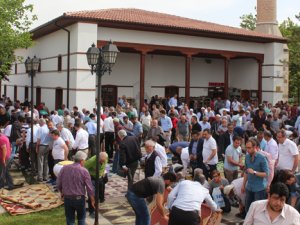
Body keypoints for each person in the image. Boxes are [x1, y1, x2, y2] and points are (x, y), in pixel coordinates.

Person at [57, 151, 95, 225]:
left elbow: (58, 183)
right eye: (85, 160)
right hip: (79, 199)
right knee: (81, 220)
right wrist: (92, 200)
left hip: (67, 198)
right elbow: (89, 187)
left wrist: (61, 192)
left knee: (70, 220)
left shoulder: (64, 168)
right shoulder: (84, 171)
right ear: (82, 160)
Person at [242, 139, 269, 213]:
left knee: (258, 210)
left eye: (249, 148)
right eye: (246, 148)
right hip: (249, 187)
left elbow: (266, 174)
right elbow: (246, 172)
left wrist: (254, 172)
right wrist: (243, 185)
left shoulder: (262, 158)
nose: (247, 150)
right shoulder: (247, 157)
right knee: (247, 209)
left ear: (255, 147)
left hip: (259, 188)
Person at [84, 152, 108, 217]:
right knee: (92, 194)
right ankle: (91, 211)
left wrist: (104, 173)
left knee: (100, 193)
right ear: (98, 158)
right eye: (101, 161)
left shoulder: (105, 158)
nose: (102, 162)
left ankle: (98, 203)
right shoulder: (91, 161)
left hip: (100, 177)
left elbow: (106, 166)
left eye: (104, 161)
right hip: (92, 178)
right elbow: (83, 168)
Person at [36, 118, 51, 182]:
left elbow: (38, 139)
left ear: (41, 123)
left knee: (40, 162)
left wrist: (37, 147)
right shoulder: (48, 128)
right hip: (47, 146)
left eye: (39, 123)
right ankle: (46, 176)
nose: (39, 124)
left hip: (42, 146)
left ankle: (40, 177)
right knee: (46, 161)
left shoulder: (40, 128)